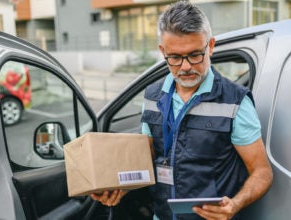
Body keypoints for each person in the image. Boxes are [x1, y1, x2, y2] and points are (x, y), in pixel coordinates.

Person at [91, 1, 273, 219]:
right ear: (162, 51)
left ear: (211, 46)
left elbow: (262, 172)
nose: (185, 67)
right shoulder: (152, 96)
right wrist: (119, 188)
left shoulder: (235, 102)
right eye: (175, 57)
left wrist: (234, 204)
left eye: (195, 55)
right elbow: (146, 159)